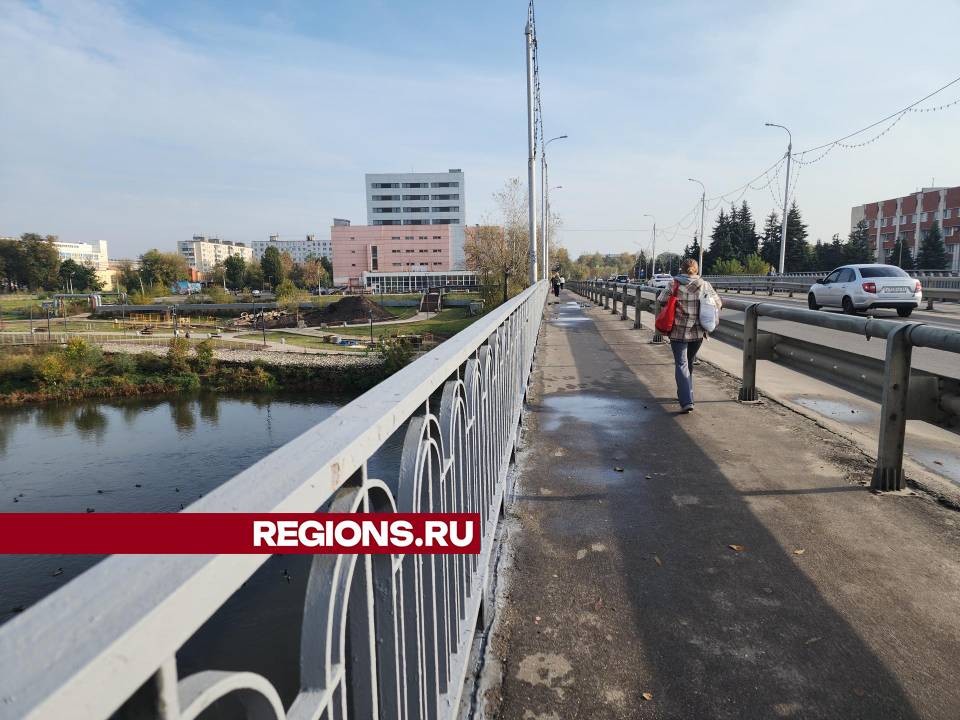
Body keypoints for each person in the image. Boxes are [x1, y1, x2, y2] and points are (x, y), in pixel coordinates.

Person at [657, 258, 721, 413]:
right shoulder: (705, 285)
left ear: (682, 269)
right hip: (698, 331)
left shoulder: (674, 284)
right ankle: (687, 393)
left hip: (678, 330)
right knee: (689, 362)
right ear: (696, 269)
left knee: (681, 364)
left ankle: (686, 400)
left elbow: (661, 300)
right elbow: (718, 303)